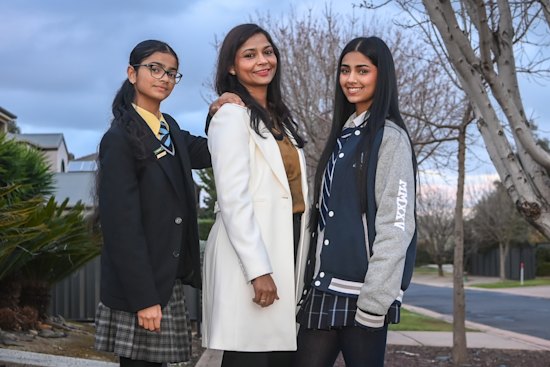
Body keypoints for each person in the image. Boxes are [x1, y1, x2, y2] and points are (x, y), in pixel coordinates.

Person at [293, 36, 418, 367]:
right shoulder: (344, 135)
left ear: (382, 76)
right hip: (324, 287)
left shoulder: (390, 138)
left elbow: (397, 223)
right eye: (345, 70)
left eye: (363, 70)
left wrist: (375, 301)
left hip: (364, 294)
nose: (351, 79)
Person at [94, 39, 211, 367]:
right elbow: (121, 229)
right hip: (140, 287)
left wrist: (226, 109)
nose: (164, 78)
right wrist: (144, 299)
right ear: (132, 73)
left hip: (165, 278)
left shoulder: (169, 128)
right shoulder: (119, 139)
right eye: (155, 69)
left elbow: (211, 149)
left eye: (172, 73)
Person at [201, 23, 310, 367]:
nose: (263, 60)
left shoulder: (281, 119)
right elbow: (234, 200)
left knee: (276, 355)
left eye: (267, 51)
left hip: (287, 241)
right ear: (232, 67)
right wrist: (258, 270)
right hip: (251, 252)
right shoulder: (231, 115)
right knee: (249, 355)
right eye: (249, 55)